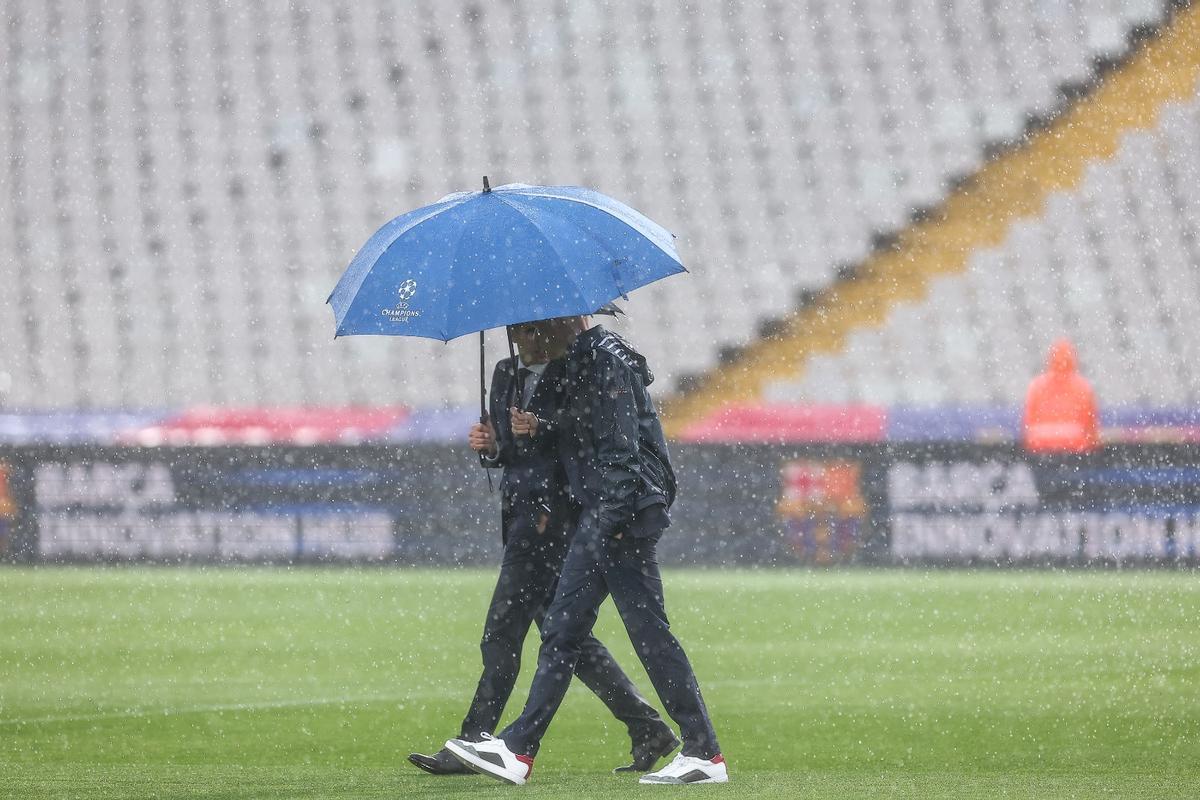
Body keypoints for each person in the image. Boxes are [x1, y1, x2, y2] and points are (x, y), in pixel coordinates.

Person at [445, 315, 728, 786]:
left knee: (641, 633)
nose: (524, 339)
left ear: (564, 321)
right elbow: (593, 430)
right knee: (564, 631)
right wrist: (537, 427)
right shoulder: (594, 358)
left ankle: (703, 751)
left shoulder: (602, 361)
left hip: (618, 516)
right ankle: (518, 750)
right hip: (610, 512)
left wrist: (610, 523)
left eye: (534, 328)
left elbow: (619, 449)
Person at [1022, 338, 1101, 453]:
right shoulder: (1083, 386)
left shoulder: (1036, 386)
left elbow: (1029, 419)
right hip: (1075, 447)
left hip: (1040, 446)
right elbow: (1090, 424)